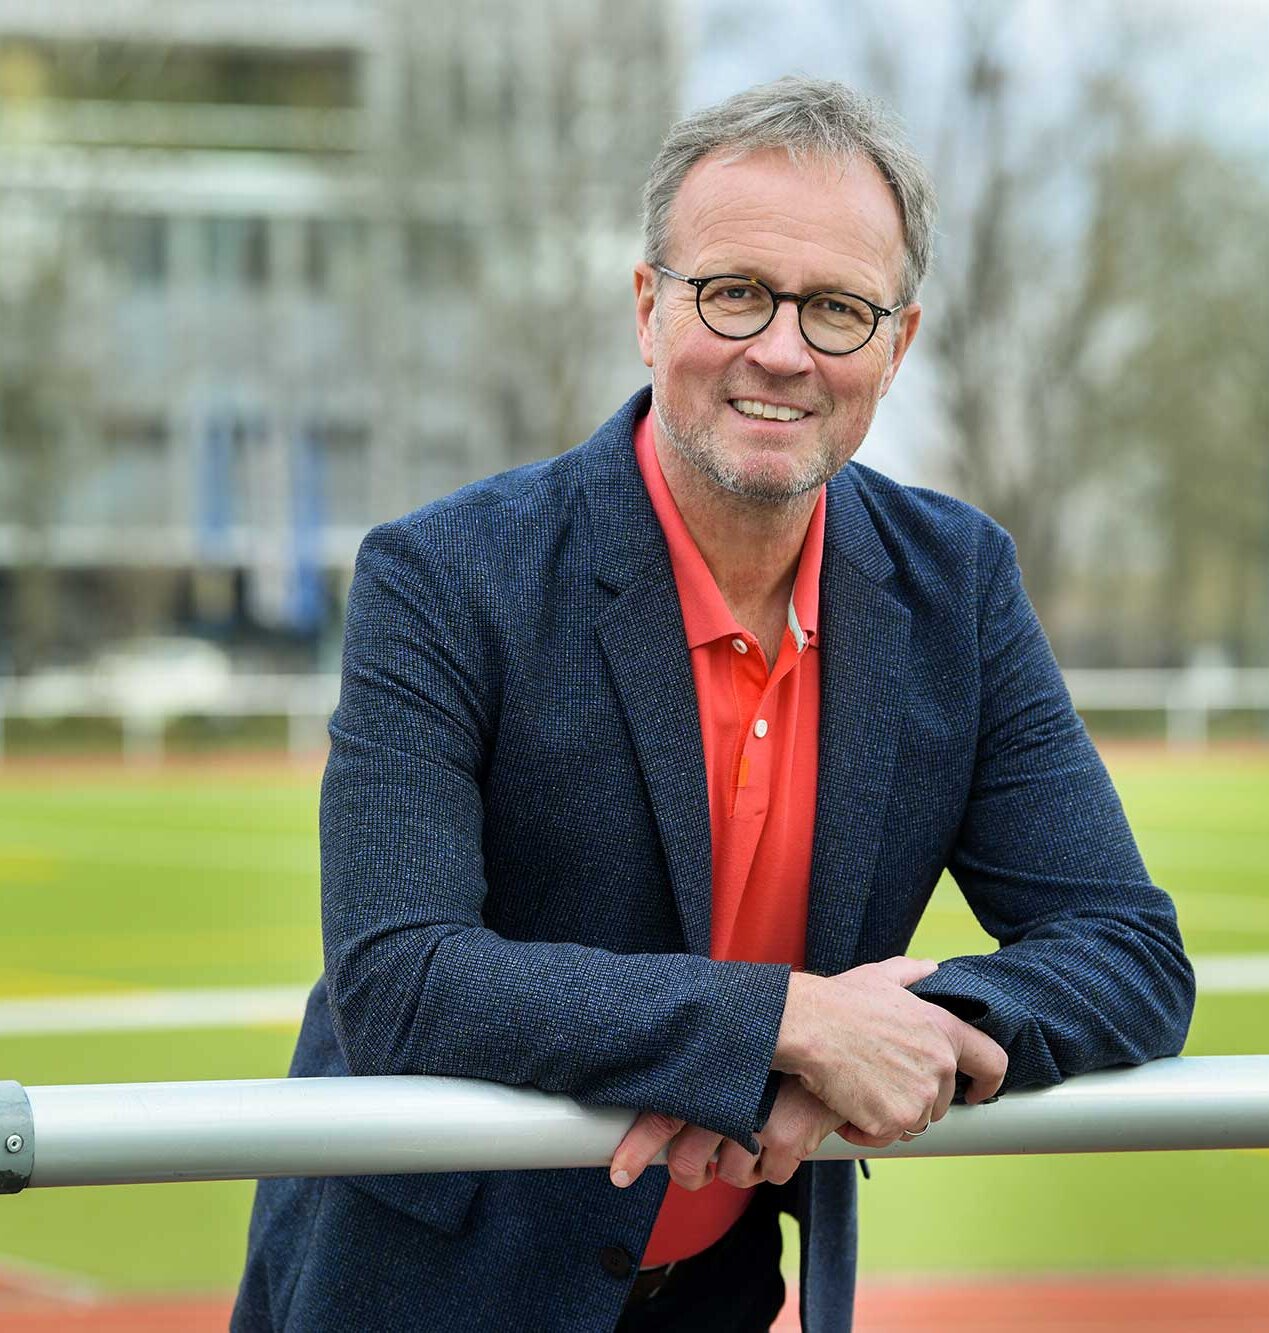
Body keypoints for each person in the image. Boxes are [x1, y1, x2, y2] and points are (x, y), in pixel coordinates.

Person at [232, 76, 1193, 1333]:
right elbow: (403, 977)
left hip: (720, 1296)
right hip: (423, 1292)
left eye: (838, 309)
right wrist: (783, 1024)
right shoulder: (445, 574)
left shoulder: (953, 586)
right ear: (647, 309)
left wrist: (900, 1037)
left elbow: (1126, 950)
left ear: (895, 348)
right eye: (734, 291)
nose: (782, 350)